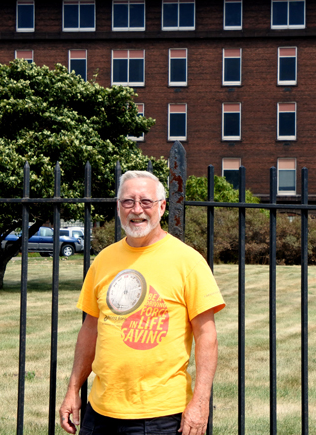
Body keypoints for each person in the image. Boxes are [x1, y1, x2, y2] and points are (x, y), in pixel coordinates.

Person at [59, 170, 225, 435]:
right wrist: (72, 390)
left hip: (161, 416)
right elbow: (90, 330)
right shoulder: (103, 261)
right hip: (100, 413)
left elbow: (207, 335)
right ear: (118, 207)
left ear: (162, 207)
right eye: (128, 201)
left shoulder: (188, 262)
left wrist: (201, 401)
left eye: (146, 201)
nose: (137, 210)